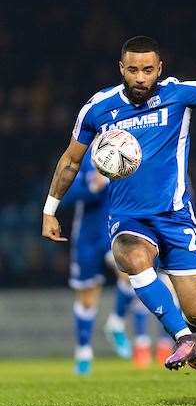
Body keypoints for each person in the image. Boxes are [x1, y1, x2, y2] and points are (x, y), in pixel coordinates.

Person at [41, 35, 196, 371]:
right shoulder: (98, 109)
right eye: (132, 70)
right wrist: (50, 210)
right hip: (128, 219)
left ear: (159, 68)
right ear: (121, 69)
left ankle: (190, 333)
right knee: (131, 256)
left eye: (147, 69)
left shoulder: (177, 94)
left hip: (175, 218)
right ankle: (183, 339)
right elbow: (71, 161)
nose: (140, 77)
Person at [62, 150, 155, 373]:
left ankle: (117, 322)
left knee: (128, 272)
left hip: (114, 227)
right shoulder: (82, 155)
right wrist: (93, 187)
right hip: (86, 234)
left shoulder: (127, 149)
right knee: (87, 298)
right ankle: (83, 353)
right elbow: (66, 195)